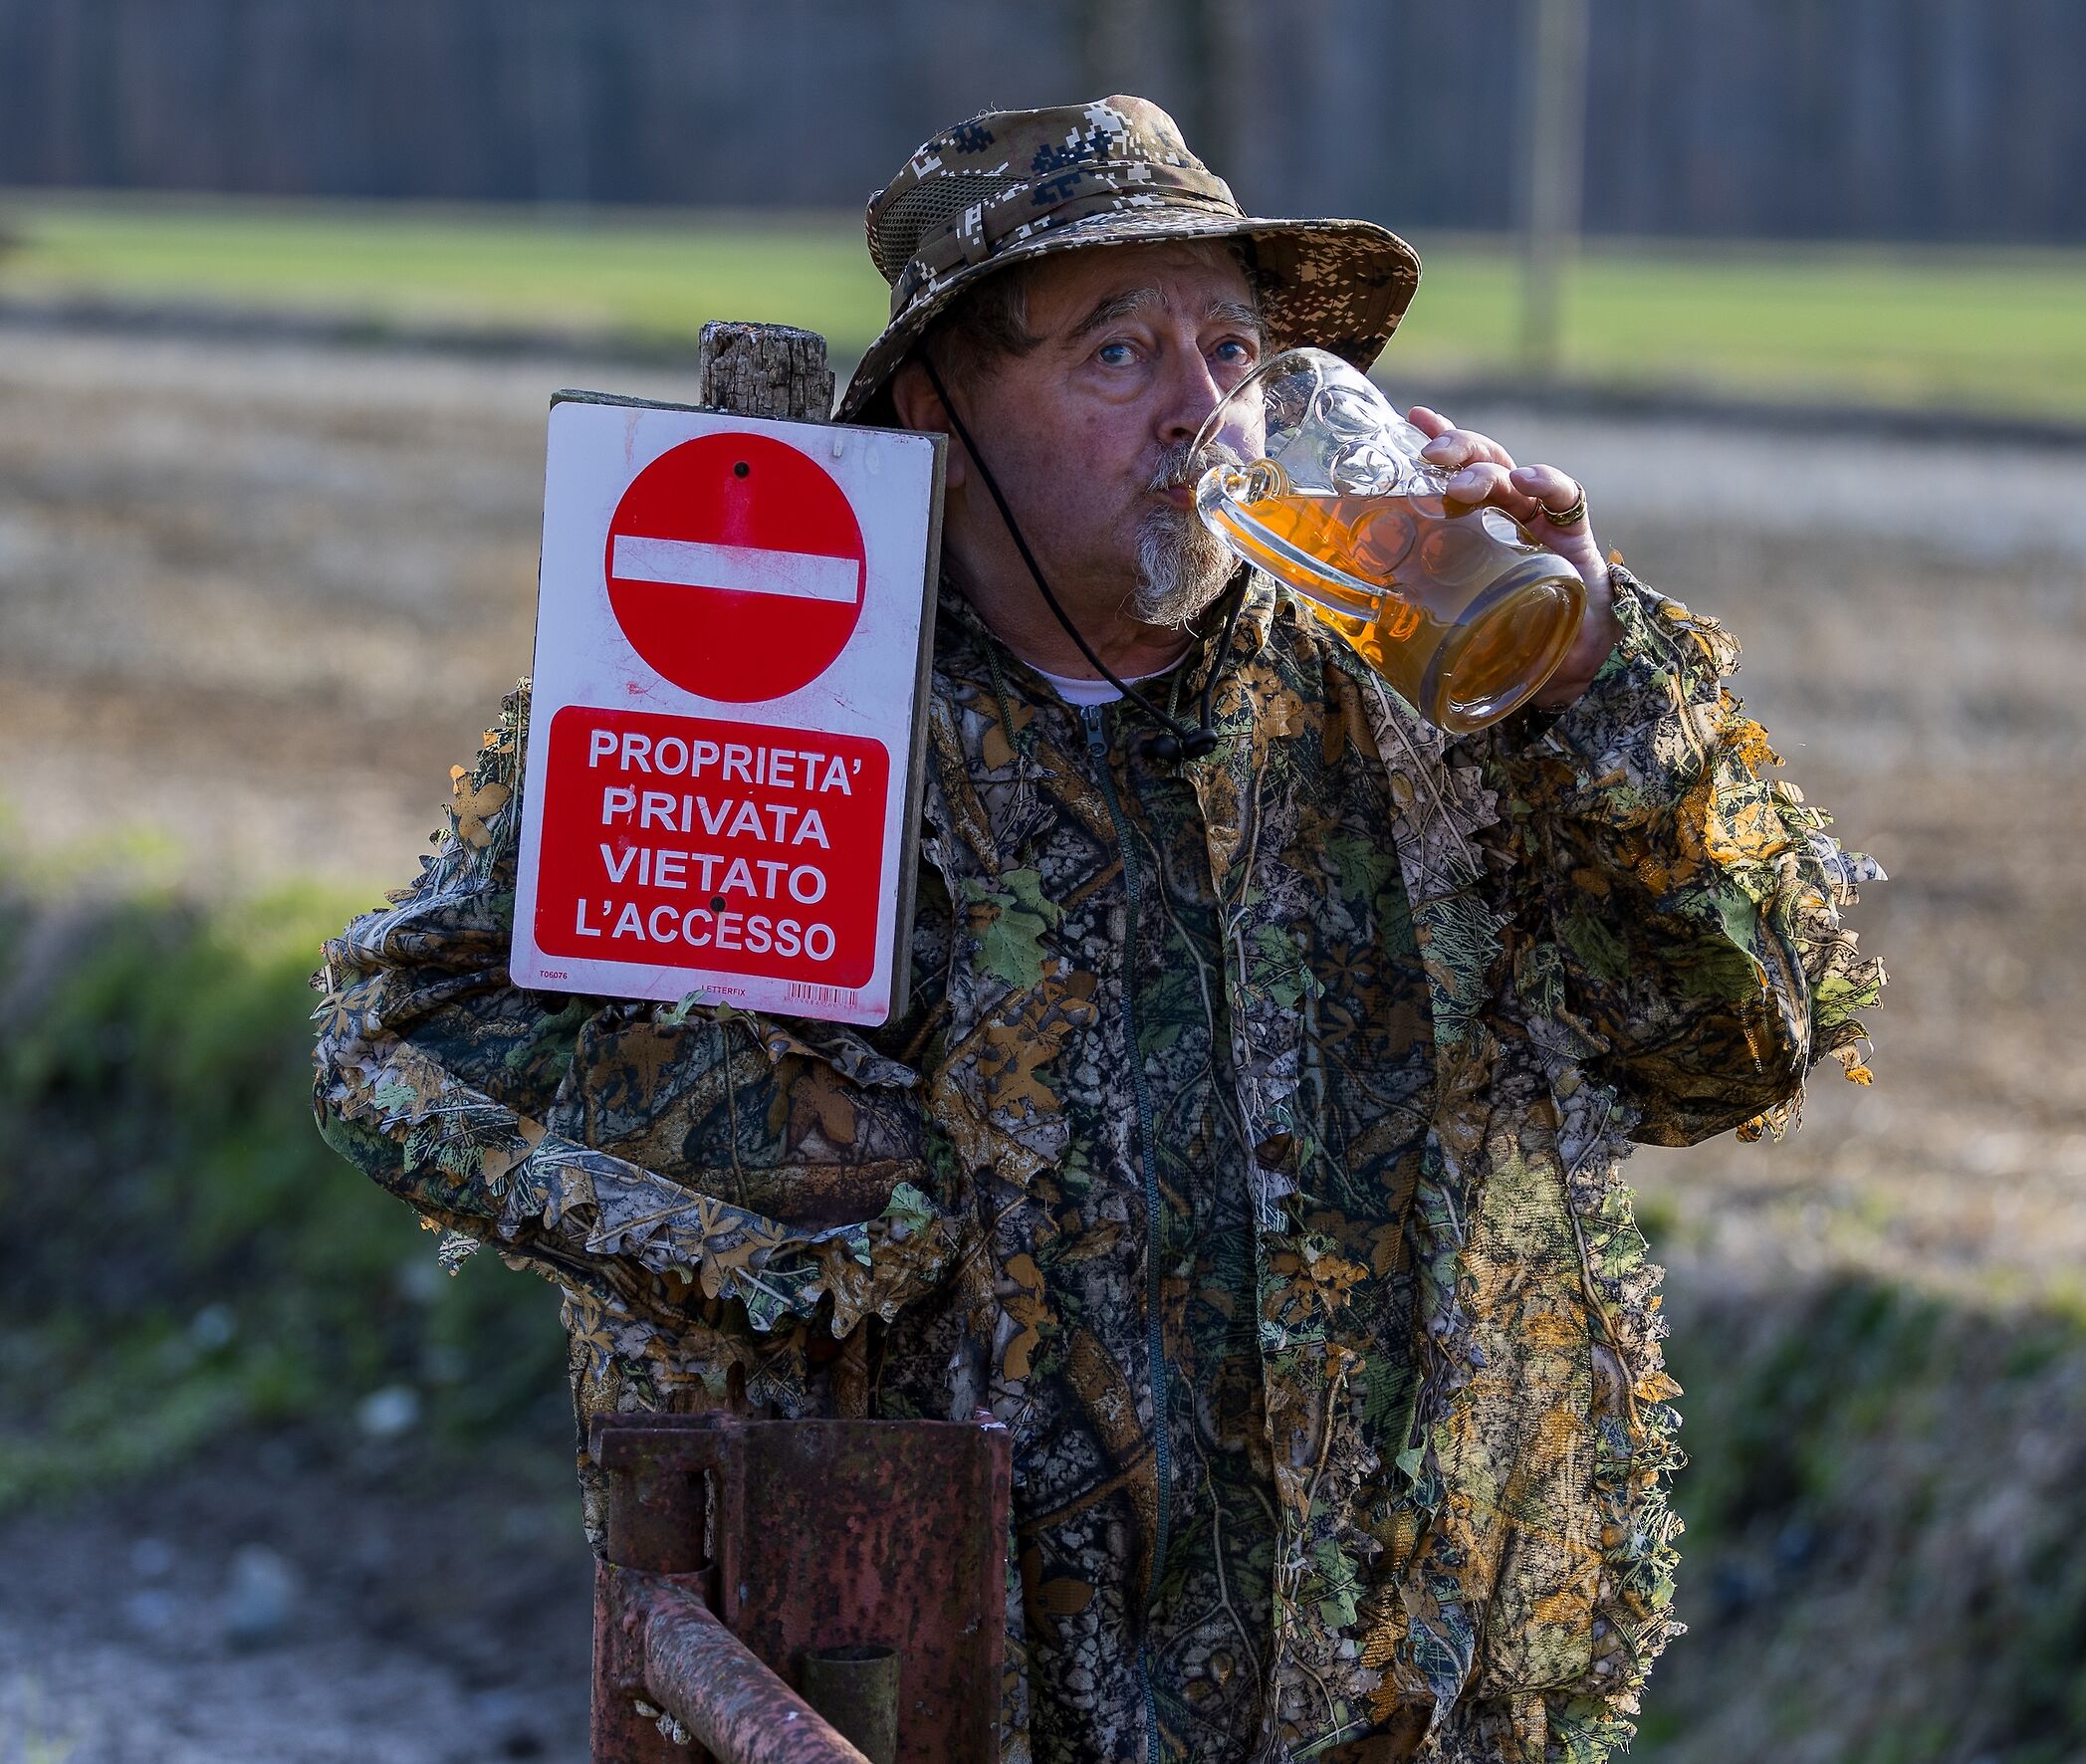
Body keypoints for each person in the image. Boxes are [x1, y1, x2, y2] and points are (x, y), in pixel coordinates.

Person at [313, 96, 1882, 1764]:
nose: (1204, 411)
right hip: (916, 1683)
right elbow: (405, 1027)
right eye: (1118, 354)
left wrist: (1597, 696)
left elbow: (1733, 1050)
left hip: (1379, 1700)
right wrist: (840, 1186)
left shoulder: (1416, 688)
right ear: (941, 411)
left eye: (1233, 348)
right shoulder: (798, 696)